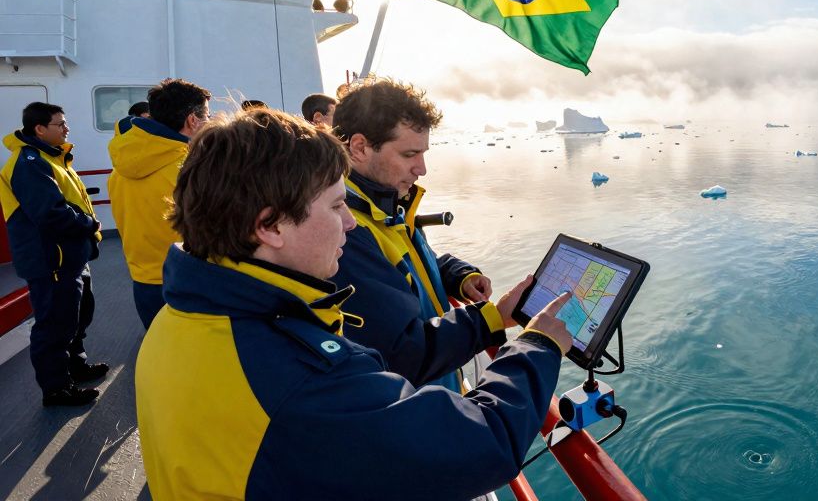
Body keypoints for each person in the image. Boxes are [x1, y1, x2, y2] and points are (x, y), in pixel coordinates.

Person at [136, 108, 570, 500]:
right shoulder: (299, 378)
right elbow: (480, 445)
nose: (349, 223)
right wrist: (539, 345)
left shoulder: (178, 319)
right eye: (336, 205)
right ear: (269, 226)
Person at [332, 78, 499, 388]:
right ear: (359, 148)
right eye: (409, 154)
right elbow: (404, 353)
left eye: (422, 154)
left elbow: (415, 266)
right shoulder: (346, 232)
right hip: (415, 405)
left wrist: (460, 277)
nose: (421, 169)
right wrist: (494, 318)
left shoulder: (384, 210)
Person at [0, 103, 106, 406]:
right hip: (51, 261)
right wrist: (90, 223)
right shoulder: (29, 163)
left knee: (77, 316)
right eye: (60, 124)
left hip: (70, 257)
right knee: (55, 325)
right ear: (39, 129)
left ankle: (75, 367)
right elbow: (50, 213)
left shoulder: (50, 157)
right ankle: (57, 389)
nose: (66, 128)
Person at [108, 78, 210, 328]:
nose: (209, 121)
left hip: (143, 281)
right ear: (192, 120)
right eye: (207, 115)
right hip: (190, 280)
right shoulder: (190, 170)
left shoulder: (119, 169)